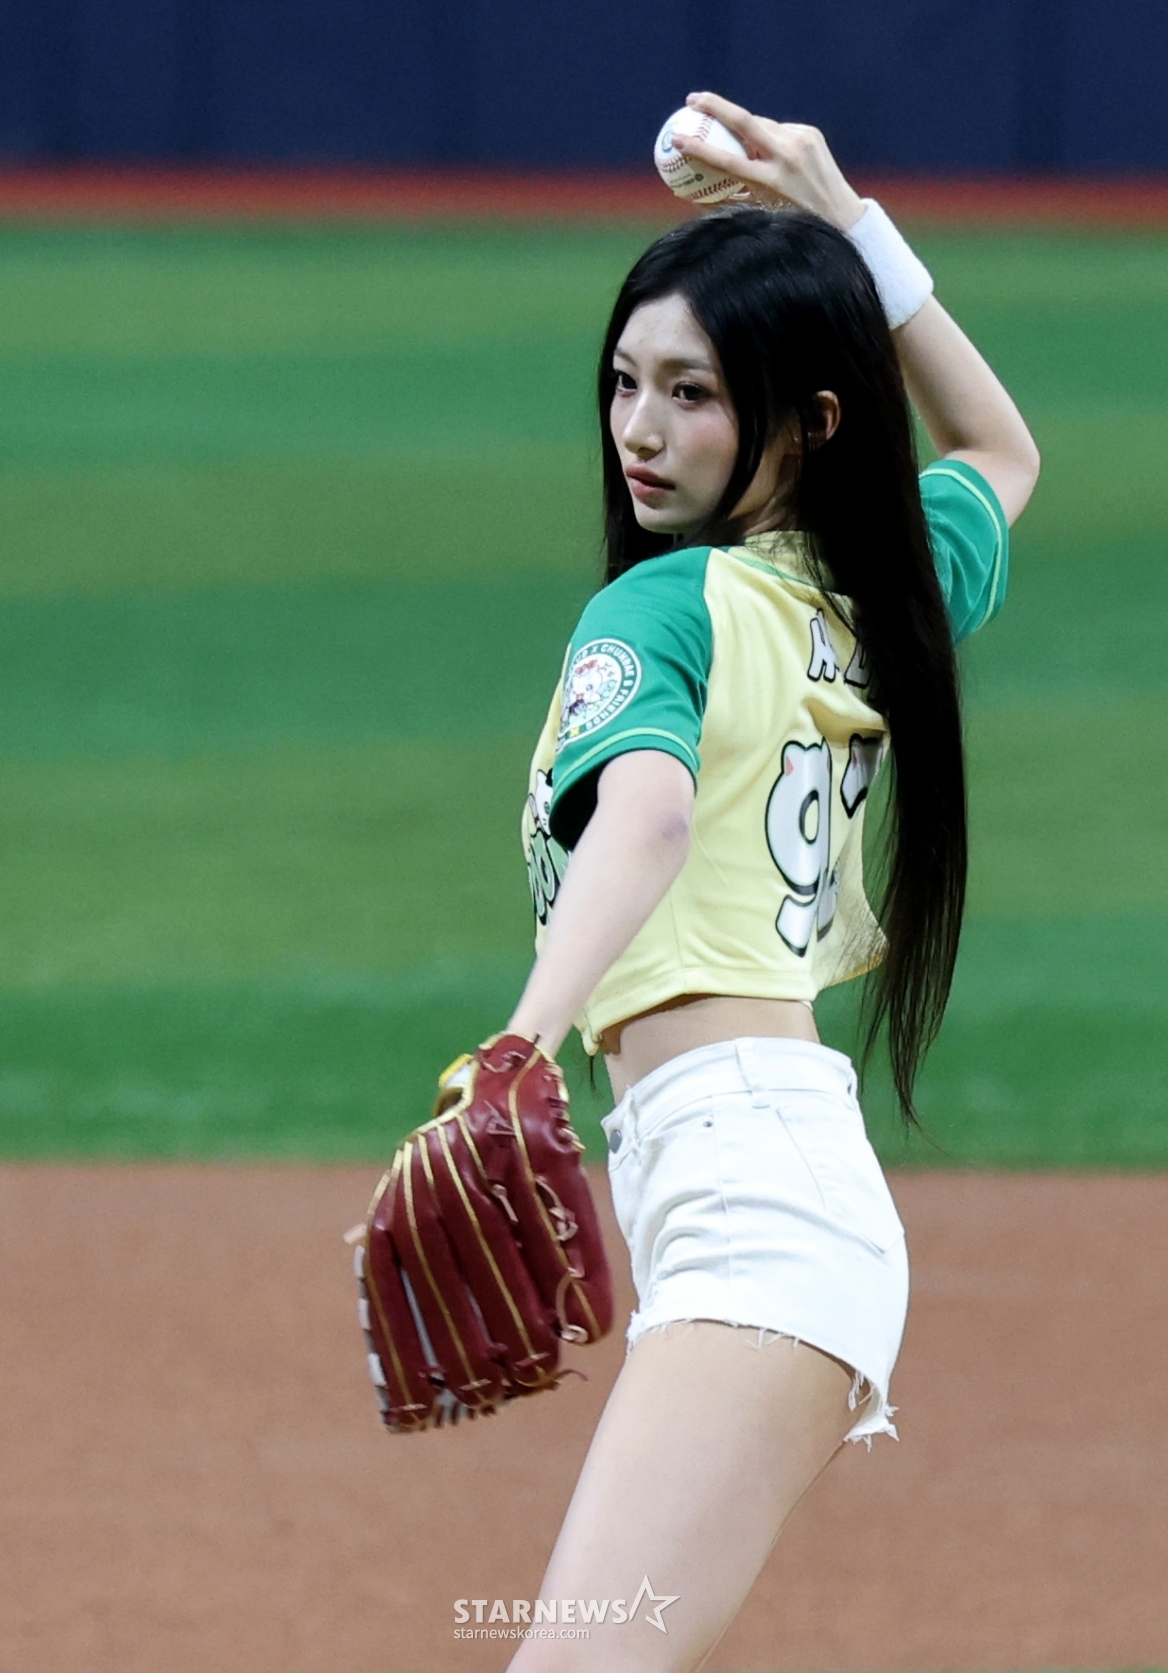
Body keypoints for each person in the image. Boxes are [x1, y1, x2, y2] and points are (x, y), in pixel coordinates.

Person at [505, 92, 1039, 1673]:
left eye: (692, 393)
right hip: (766, 1187)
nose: (640, 429)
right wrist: (851, 221)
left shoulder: (663, 608)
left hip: (752, 1202)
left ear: (805, 421)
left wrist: (520, 1044)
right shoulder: (876, 590)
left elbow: (649, 818)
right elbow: (999, 451)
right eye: (625, 382)